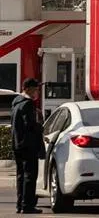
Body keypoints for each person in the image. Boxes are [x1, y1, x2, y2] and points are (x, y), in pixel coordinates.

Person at [11, 78, 44, 215]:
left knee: (20, 176)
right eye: (36, 89)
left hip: (17, 144)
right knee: (30, 176)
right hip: (28, 145)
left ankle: (20, 205)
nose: (37, 92)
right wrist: (40, 127)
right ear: (29, 89)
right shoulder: (28, 104)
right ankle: (28, 205)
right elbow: (29, 125)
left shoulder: (16, 102)